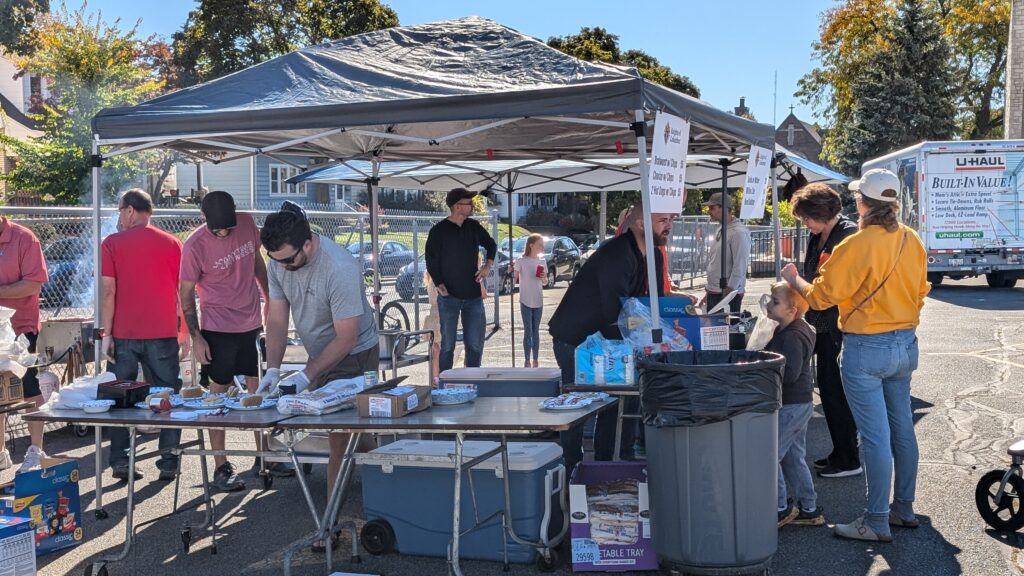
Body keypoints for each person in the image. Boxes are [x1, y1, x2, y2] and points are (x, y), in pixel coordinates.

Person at [782, 168, 929, 543]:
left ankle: (876, 520)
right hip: (904, 341)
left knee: (876, 436)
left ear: (863, 204)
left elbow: (819, 297)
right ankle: (903, 508)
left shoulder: (855, 245)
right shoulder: (911, 239)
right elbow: (921, 290)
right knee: (901, 430)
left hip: (867, 345)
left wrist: (793, 279)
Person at [256, 201, 379, 552]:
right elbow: (278, 319)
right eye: (275, 260)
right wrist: (274, 369)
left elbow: (347, 338)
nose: (282, 267)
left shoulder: (339, 267)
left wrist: (306, 375)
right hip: (320, 351)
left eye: (288, 259)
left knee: (339, 438)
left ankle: (329, 527)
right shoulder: (278, 260)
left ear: (308, 243)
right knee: (357, 431)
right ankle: (390, 462)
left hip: (355, 352)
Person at [549, 206, 672, 472]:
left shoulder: (652, 255)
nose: (669, 225)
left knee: (619, 402)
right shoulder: (616, 254)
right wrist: (639, 344)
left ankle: (614, 464)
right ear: (639, 223)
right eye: (662, 220)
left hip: (608, 341)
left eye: (671, 219)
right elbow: (614, 313)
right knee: (578, 408)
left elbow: (654, 305)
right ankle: (573, 470)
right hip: (576, 340)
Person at [179, 191, 269, 490]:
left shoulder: (245, 223)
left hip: (251, 322)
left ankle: (264, 456)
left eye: (227, 228)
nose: (223, 233)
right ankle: (221, 464)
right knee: (218, 396)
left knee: (258, 390)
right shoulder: (195, 245)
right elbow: (186, 294)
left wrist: (269, 297)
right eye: (216, 228)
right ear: (204, 219)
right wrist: (197, 337)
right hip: (217, 327)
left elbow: (256, 259)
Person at [100, 189, 188, 481]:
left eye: (119, 210)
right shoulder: (173, 243)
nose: (118, 217)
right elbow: (182, 292)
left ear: (129, 210)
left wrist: (107, 334)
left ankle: (121, 461)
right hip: (163, 332)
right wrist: (185, 331)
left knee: (120, 397)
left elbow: (109, 291)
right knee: (167, 395)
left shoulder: (112, 243)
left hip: (125, 332)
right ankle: (169, 460)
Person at [790, 183, 862, 479]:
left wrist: (796, 282)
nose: (805, 224)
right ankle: (840, 450)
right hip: (822, 323)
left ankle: (848, 458)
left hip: (838, 324)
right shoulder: (821, 234)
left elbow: (829, 285)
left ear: (819, 212)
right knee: (830, 389)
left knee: (835, 391)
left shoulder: (846, 235)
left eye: (806, 218)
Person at [763, 282, 824, 528]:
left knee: (770, 455)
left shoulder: (792, 336)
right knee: (792, 457)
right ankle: (808, 507)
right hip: (800, 403)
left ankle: (780, 507)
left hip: (790, 404)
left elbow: (789, 373)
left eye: (775, 302)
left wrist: (764, 369)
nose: (768, 304)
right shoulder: (795, 329)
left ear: (792, 309)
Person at [424, 188, 497, 372]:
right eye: (468, 203)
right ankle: (444, 387)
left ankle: (473, 383)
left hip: (473, 297)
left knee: (474, 345)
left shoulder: (473, 226)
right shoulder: (438, 231)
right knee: (447, 346)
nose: (472, 206)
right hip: (449, 298)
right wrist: (439, 284)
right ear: (457, 207)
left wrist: (487, 266)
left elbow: (491, 245)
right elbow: (431, 259)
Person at [0, 214, 49, 472]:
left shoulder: (24, 238)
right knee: (0, 390)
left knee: (28, 385)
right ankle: (1, 453)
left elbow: (33, 284)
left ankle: (36, 448)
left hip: (20, 329)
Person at [704, 192, 751, 313]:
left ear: (724, 208)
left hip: (727, 293)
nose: (709, 211)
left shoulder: (738, 232)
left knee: (727, 330)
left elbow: (740, 264)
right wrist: (709, 292)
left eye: (712, 208)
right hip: (715, 291)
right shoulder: (721, 229)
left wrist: (730, 289)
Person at [515, 234, 546, 367]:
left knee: (536, 330)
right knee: (528, 330)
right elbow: (514, 278)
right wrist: (512, 272)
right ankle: (527, 359)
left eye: (542, 245)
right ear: (531, 245)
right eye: (539, 244)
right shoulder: (521, 261)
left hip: (538, 300)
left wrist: (544, 278)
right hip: (525, 299)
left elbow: (544, 282)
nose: (541, 247)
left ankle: (536, 359)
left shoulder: (542, 261)